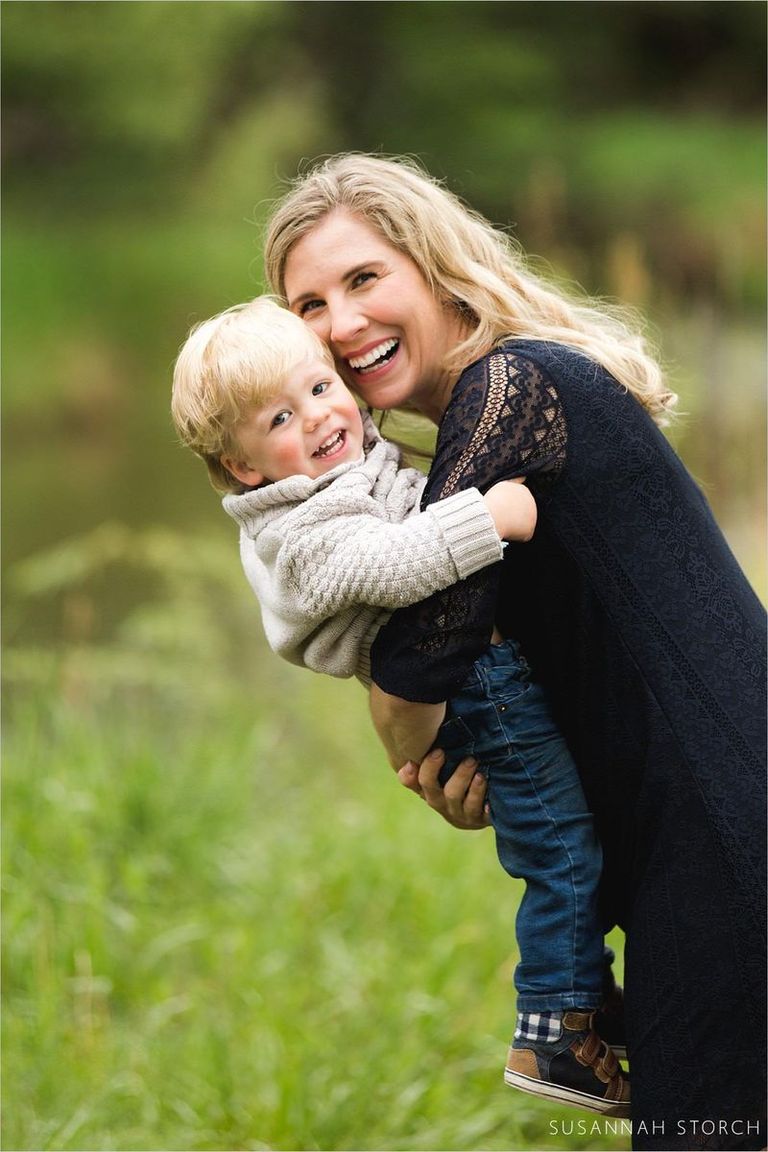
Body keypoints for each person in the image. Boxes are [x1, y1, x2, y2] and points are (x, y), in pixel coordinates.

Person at [262, 153, 767, 1151]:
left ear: (436, 266)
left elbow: (413, 668)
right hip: (706, 845)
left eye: (364, 279)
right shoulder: (493, 414)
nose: (341, 322)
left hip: (729, 849)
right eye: (308, 305)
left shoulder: (511, 389)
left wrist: (408, 737)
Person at [171, 295, 631, 1116]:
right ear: (245, 466)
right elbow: (387, 565)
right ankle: (552, 1026)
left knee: (565, 824)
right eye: (279, 416)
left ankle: (585, 989)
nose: (317, 416)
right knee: (558, 842)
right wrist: (486, 516)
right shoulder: (298, 532)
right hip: (474, 688)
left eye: (319, 387)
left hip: (475, 680)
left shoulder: (335, 471)